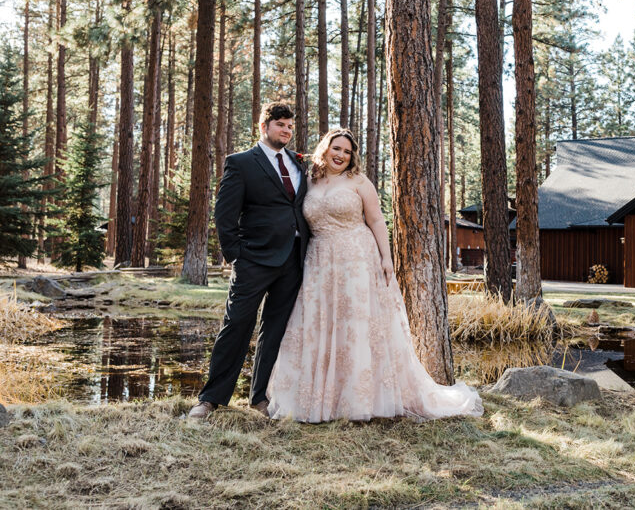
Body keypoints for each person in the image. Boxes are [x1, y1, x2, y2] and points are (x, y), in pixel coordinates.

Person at [267, 128, 482, 423]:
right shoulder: (311, 181)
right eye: (337, 148)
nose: (341, 155)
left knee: (356, 326)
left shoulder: (359, 182)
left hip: (357, 259)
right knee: (322, 324)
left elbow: (377, 220)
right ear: (325, 149)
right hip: (319, 262)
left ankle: (360, 398)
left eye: (347, 151)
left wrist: (386, 258)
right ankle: (321, 399)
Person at [188, 102, 311, 419]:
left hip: (293, 261)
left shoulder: (298, 164)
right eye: (280, 124)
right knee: (237, 325)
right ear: (264, 126)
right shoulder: (241, 163)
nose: (286, 130)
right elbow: (224, 215)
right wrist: (237, 257)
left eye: (289, 126)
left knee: (275, 331)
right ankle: (211, 398)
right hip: (253, 260)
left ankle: (259, 398)